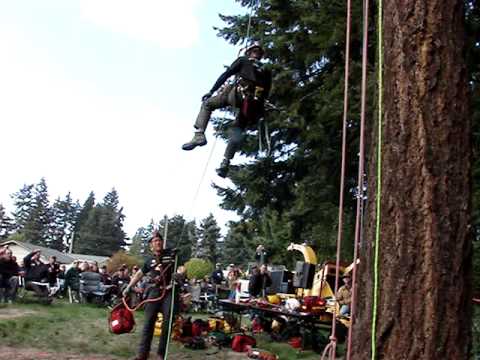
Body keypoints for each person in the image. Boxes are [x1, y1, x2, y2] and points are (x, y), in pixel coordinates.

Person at [182, 43, 272, 178]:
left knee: (208, 104)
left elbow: (226, 74)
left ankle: (199, 134)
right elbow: (266, 94)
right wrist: (259, 112)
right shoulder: (266, 70)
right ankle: (225, 163)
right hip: (252, 104)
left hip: (237, 95)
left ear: (249, 53)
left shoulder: (243, 60)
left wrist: (211, 91)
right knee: (237, 130)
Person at [123, 231, 178, 360]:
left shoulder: (171, 254)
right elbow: (139, 274)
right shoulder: (149, 260)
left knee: (167, 324)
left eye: (159, 240)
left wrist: (180, 273)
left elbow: (182, 268)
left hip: (169, 291)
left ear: (162, 243)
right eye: (154, 241)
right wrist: (129, 287)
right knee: (148, 323)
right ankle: (143, 354)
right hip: (154, 292)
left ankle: (161, 354)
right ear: (151, 245)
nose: (157, 242)